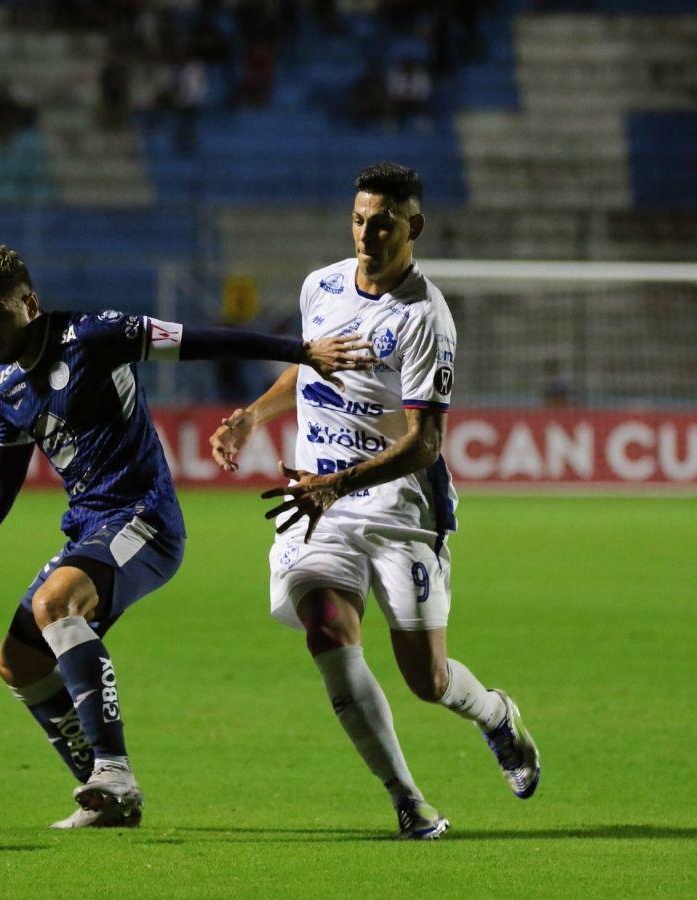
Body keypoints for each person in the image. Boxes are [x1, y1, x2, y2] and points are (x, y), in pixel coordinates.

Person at [0, 245, 373, 829]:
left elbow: (203, 340)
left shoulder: (96, 334)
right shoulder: (5, 386)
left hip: (145, 518)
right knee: (17, 664)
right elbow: (1, 482)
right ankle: (108, 799)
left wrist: (301, 352)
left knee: (56, 603)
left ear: (29, 302)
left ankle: (113, 768)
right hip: (90, 526)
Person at [208, 163, 540, 840]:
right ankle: (408, 800)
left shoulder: (424, 318)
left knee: (427, 678)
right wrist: (254, 415)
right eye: (359, 218)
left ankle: (498, 717)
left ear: (412, 226)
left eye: (382, 221)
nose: (367, 231)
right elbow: (310, 367)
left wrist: (339, 482)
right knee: (327, 630)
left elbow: (424, 443)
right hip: (318, 505)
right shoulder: (320, 286)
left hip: (399, 511)